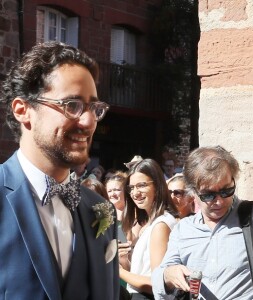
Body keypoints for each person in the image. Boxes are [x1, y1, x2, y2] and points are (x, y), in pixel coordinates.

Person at [0, 41, 119, 299]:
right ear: (23, 110)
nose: (88, 122)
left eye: (94, 109)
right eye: (72, 105)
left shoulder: (102, 210)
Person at [152, 146, 253, 300]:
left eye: (226, 191)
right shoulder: (183, 229)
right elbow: (162, 277)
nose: (219, 201)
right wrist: (168, 275)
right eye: (208, 195)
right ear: (192, 191)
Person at [119, 159, 178, 299]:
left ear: (157, 186)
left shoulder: (161, 225)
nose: (135, 193)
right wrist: (124, 261)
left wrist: (119, 272)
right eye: (131, 188)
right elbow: (142, 273)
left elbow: (156, 284)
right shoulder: (150, 224)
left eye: (141, 185)